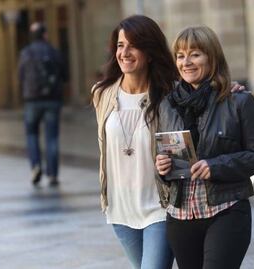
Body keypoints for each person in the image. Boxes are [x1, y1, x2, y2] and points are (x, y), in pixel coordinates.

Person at [155, 26, 254, 269]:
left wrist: (216, 166)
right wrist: (162, 168)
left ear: (212, 57)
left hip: (225, 211)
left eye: (195, 54)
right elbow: (165, 165)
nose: (186, 62)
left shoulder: (239, 101)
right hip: (181, 216)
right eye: (180, 55)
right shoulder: (168, 104)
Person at [91, 15, 181, 269]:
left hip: (159, 207)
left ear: (150, 52)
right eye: (120, 45)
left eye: (133, 45)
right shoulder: (102, 94)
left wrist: (230, 91)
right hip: (120, 209)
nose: (125, 52)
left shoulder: (170, 94)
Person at [18, 22, 67, 187]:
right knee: (51, 137)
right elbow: (65, 74)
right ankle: (53, 174)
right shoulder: (54, 52)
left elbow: (21, 76)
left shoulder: (25, 53)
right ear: (45, 35)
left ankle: (35, 166)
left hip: (32, 101)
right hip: (52, 100)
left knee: (32, 134)